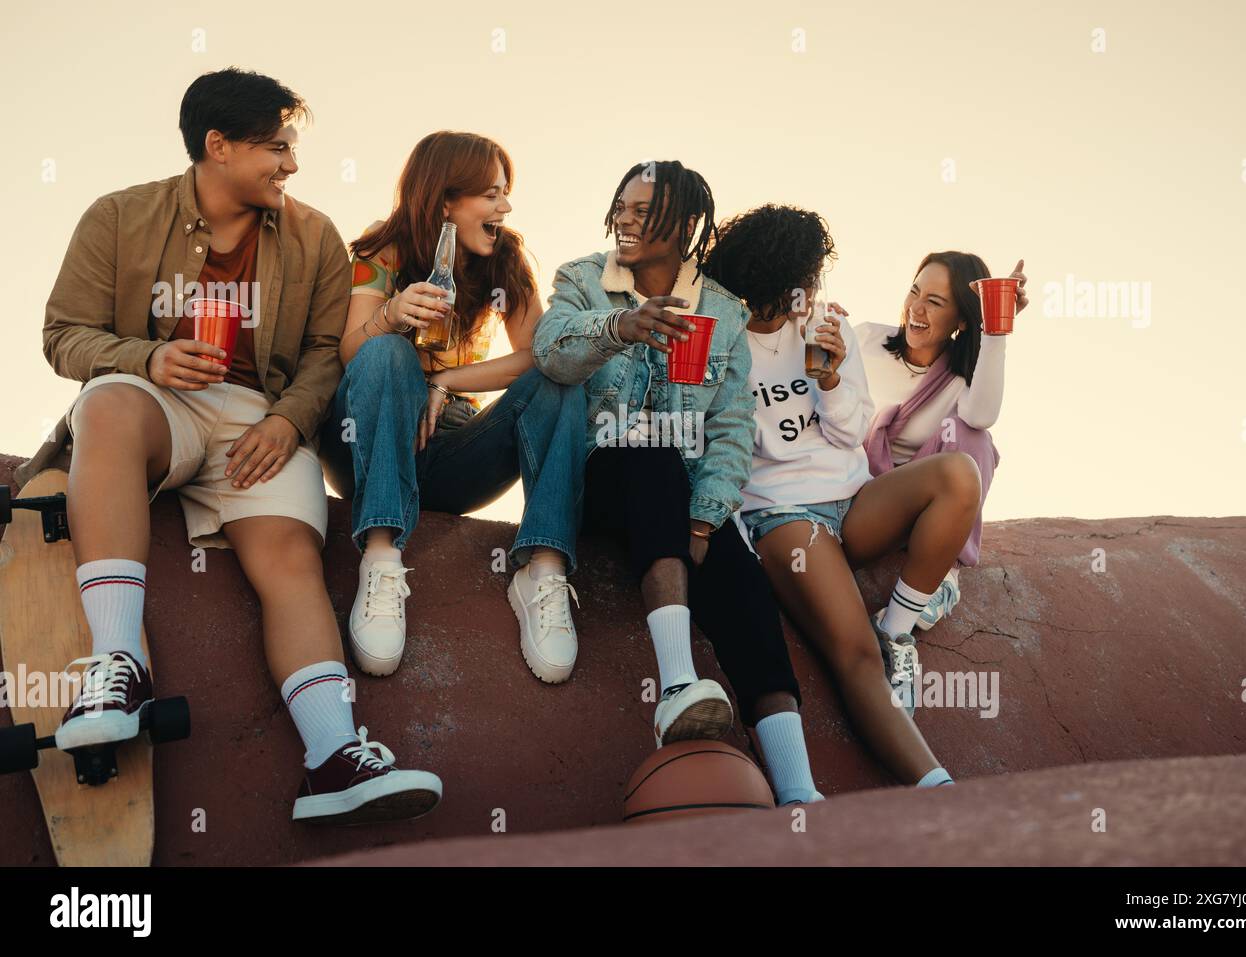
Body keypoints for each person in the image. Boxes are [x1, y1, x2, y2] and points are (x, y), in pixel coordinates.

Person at [22, 68, 443, 824]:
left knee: (287, 555)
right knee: (107, 405)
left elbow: (323, 353)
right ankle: (117, 668)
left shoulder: (314, 234)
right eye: (275, 148)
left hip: (260, 418)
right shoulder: (119, 216)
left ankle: (333, 755)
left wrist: (287, 420)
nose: (291, 164)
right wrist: (145, 358)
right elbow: (62, 335)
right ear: (217, 146)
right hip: (156, 399)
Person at [533, 162, 823, 805]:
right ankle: (675, 687)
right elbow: (548, 349)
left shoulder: (722, 309)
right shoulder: (583, 278)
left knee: (743, 584)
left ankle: (800, 791)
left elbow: (731, 427)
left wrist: (707, 517)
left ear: (686, 225)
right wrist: (619, 328)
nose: (626, 220)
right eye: (623, 207)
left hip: (683, 498)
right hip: (597, 477)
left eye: (644, 210)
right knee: (648, 452)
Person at [701, 203, 983, 787]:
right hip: (782, 516)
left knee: (958, 475)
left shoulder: (828, 327)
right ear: (777, 281)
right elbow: (725, 447)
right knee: (855, 655)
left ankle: (899, 622)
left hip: (853, 501)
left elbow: (850, 433)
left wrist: (828, 378)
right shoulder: (718, 342)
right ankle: (938, 789)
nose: (815, 290)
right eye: (806, 279)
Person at [319, 131, 587, 683]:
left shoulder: (505, 260)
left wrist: (445, 381)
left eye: (504, 193)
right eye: (491, 194)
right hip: (369, 443)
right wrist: (391, 314)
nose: (505, 207)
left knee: (564, 378)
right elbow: (351, 353)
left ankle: (543, 568)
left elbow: (541, 358)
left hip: (456, 451)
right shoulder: (381, 249)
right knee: (385, 352)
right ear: (445, 201)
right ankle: (381, 558)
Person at [854, 252, 1028, 629]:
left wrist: (996, 328)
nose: (916, 308)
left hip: (922, 511)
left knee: (974, 436)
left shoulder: (957, 378)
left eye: (934, 302)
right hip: (859, 500)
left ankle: (943, 578)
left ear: (962, 319)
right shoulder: (865, 340)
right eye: (914, 292)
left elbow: (981, 416)